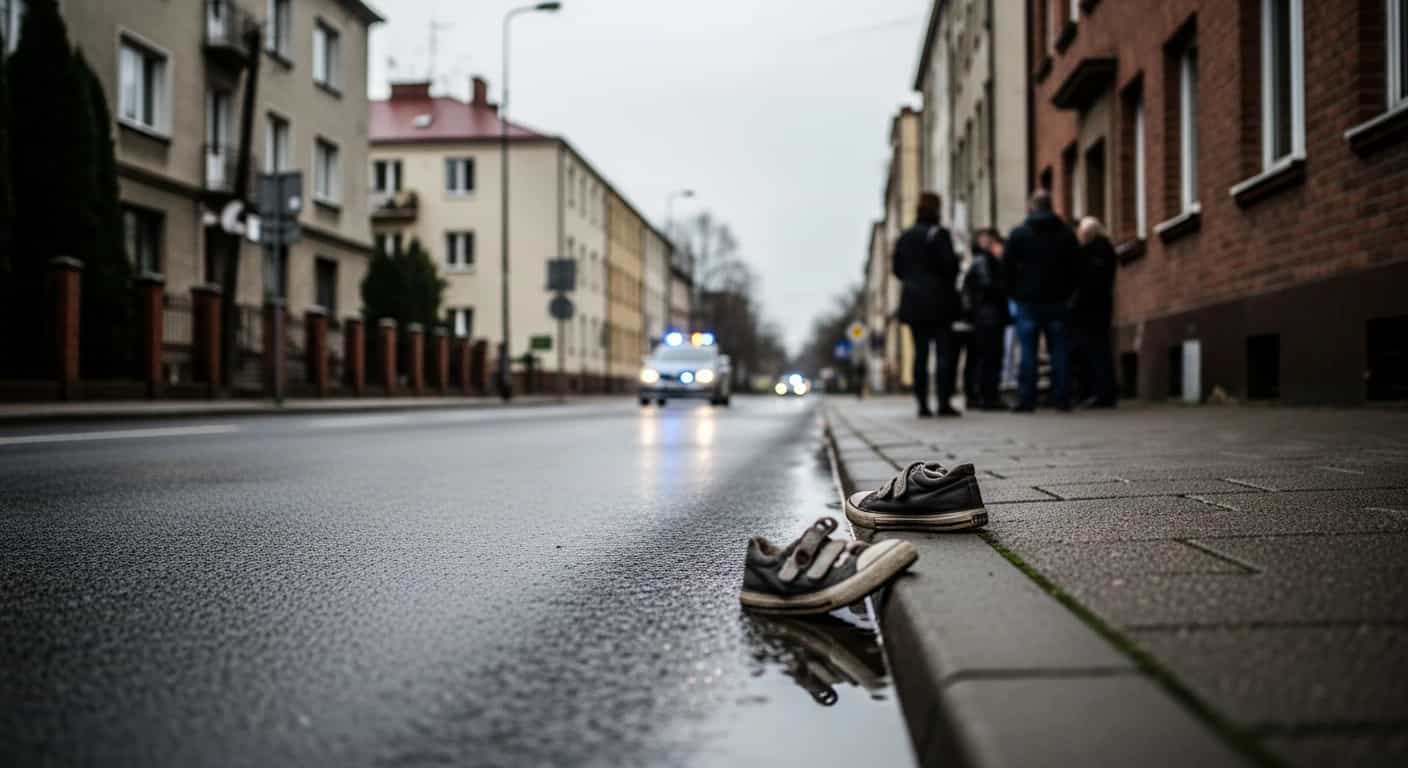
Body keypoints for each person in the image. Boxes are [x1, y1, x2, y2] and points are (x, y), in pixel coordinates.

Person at [1004, 190, 1079, 412]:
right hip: (1058, 300)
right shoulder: (1065, 233)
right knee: (1059, 351)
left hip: (1028, 301)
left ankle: (1027, 400)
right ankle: (1062, 399)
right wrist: (1068, 293)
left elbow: (1007, 268)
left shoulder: (1019, 234)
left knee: (1028, 352)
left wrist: (1015, 293)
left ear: (1031, 208)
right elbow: (1075, 267)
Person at [893, 191, 961, 417]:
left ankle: (922, 404)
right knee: (943, 353)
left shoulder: (906, 236)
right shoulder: (939, 234)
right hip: (939, 301)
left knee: (920, 353)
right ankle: (943, 402)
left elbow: (897, 269)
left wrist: (914, 280)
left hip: (913, 302)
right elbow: (950, 266)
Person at [1071, 217, 1118, 407]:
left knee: (1096, 352)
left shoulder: (1095, 252)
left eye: (1081, 233)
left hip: (1092, 311)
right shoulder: (1104, 250)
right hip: (1099, 308)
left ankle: (1102, 393)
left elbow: (1088, 282)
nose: (1079, 237)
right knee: (1099, 350)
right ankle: (1102, 392)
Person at [965, 228, 1010, 410]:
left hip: (985, 316)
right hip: (989, 316)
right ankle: (988, 397)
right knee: (990, 358)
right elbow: (989, 285)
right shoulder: (984, 261)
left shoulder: (980, 261)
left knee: (984, 358)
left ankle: (984, 396)